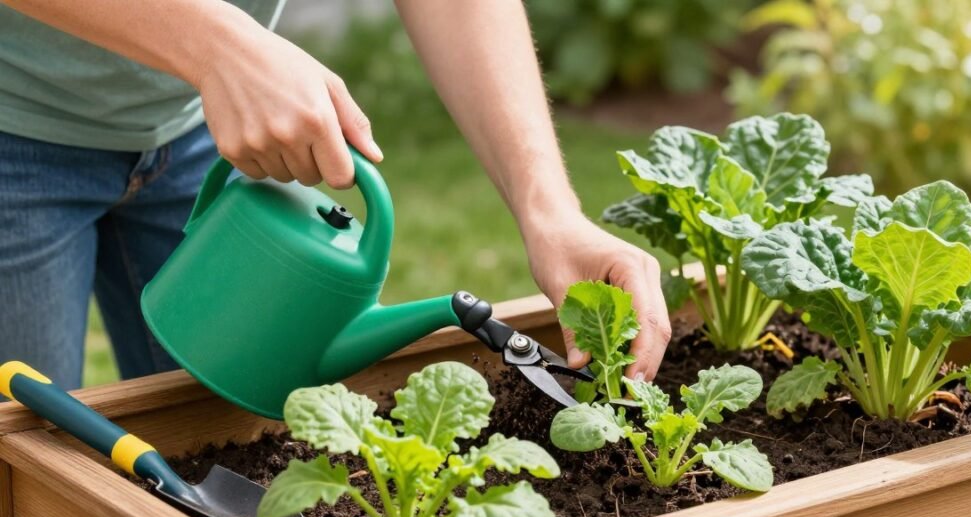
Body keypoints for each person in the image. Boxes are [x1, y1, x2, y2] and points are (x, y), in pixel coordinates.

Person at [0, 0, 671, 391]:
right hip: (13, 119)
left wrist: (547, 207)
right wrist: (218, 43)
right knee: (24, 480)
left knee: (230, 436)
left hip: (209, 123)